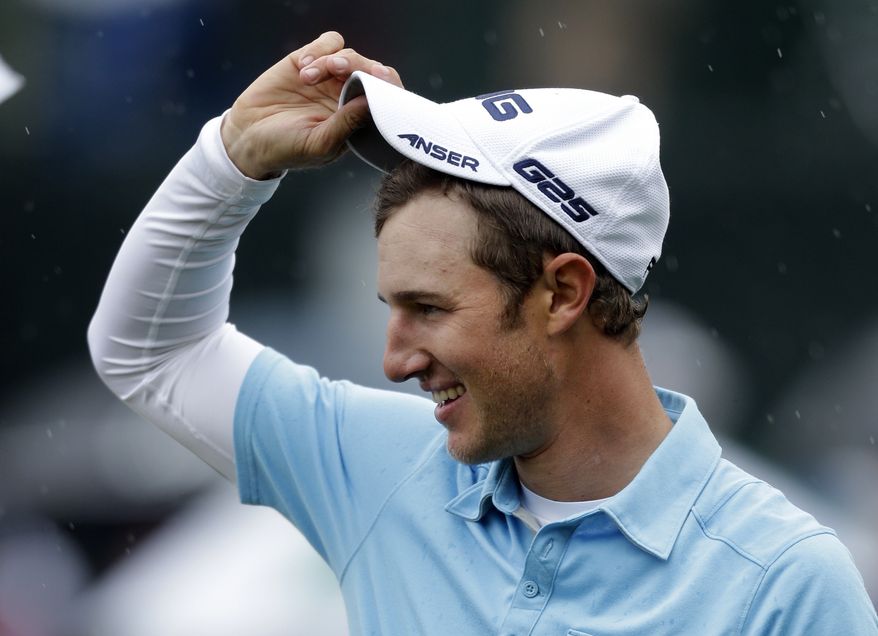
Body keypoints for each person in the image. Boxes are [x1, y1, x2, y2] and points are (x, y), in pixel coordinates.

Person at [88, 31, 878, 634]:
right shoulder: (386, 465)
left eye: (429, 309)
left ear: (563, 291)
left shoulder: (785, 581)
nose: (394, 360)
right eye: (391, 308)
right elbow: (153, 353)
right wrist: (228, 162)